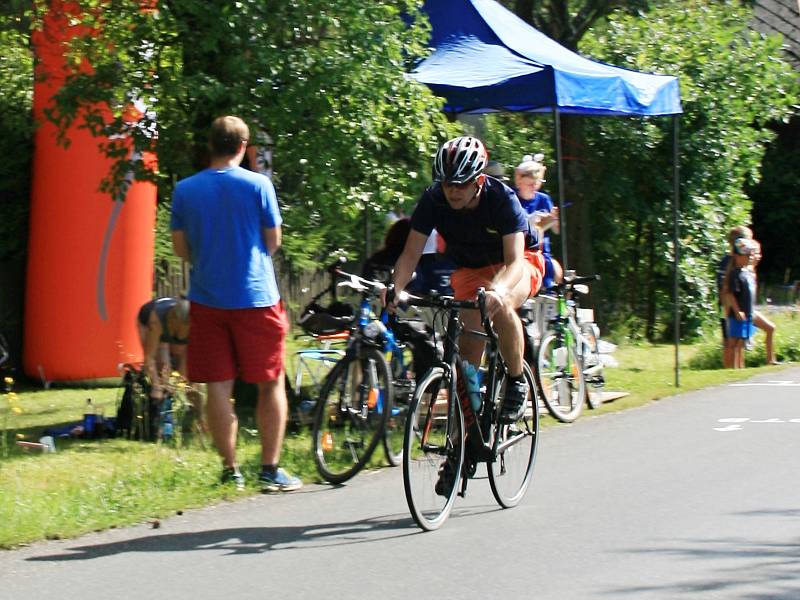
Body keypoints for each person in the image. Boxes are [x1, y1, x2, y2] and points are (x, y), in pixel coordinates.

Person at [171, 115, 301, 493]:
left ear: (210, 145)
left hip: (207, 298)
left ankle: (230, 470)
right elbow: (273, 241)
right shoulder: (259, 185)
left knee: (217, 386)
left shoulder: (185, 190)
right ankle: (269, 468)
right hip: (256, 296)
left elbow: (181, 249)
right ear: (244, 148)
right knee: (270, 381)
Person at [389, 135, 545, 428]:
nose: (453, 191)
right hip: (471, 268)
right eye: (448, 183)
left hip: (519, 262)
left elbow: (514, 262)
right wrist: (395, 289)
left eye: (461, 183)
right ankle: (464, 442)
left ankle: (515, 381)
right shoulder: (434, 199)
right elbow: (410, 253)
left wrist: (498, 291)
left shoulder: (501, 198)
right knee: (466, 357)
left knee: (501, 305)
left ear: (479, 180)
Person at [136, 297, 204, 435]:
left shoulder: (195, 326)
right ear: (174, 321)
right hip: (148, 320)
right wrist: (156, 386)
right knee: (162, 368)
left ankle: (199, 419)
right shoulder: (156, 322)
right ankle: (155, 421)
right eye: (179, 329)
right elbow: (149, 358)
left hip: (171, 323)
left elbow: (185, 368)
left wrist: (182, 383)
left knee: (190, 382)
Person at [514, 153, 563, 290]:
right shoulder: (511, 198)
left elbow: (556, 230)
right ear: (520, 180)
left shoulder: (544, 199)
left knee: (551, 269)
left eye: (536, 183)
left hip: (543, 254)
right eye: (530, 183)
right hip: (520, 252)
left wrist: (554, 219)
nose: (533, 187)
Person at [724, 236, 758, 369]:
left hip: (748, 313)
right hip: (738, 314)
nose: (750, 256)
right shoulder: (735, 274)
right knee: (734, 341)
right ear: (737, 256)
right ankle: (733, 367)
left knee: (741, 342)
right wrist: (737, 311)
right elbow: (731, 294)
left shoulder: (747, 273)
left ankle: (739, 367)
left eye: (750, 254)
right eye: (747, 254)